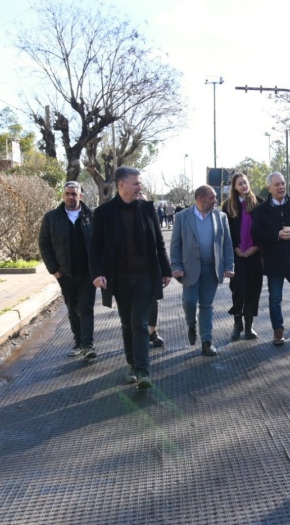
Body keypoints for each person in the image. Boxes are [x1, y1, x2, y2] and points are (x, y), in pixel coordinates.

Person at [89, 166, 172, 389]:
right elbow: (95, 248)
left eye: (140, 183)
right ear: (121, 185)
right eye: (136, 183)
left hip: (145, 276)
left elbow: (159, 242)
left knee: (140, 323)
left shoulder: (147, 209)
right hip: (119, 279)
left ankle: (143, 370)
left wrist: (166, 269)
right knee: (127, 323)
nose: (140, 187)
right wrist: (97, 274)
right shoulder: (103, 213)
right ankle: (132, 365)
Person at [170, 185, 235, 357]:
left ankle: (207, 342)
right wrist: (175, 266)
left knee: (207, 305)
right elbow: (175, 245)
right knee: (189, 302)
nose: (216, 200)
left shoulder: (221, 217)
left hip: (212, 269)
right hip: (189, 269)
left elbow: (227, 244)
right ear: (200, 198)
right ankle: (192, 324)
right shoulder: (182, 217)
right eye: (213, 197)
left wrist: (229, 266)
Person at [38, 181, 98, 359]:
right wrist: (54, 270)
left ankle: (88, 345)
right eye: (67, 194)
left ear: (81, 195)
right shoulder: (51, 218)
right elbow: (44, 244)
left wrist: (99, 268)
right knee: (73, 309)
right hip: (65, 274)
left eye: (74, 194)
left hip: (88, 273)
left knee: (86, 308)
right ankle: (78, 342)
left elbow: (100, 243)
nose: (70, 197)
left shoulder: (92, 216)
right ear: (63, 195)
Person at [252, 172, 290, 346]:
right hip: (274, 261)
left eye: (283, 183)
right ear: (269, 188)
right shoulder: (261, 210)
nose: (281, 187)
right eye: (277, 184)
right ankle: (278, 330)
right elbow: (256, 234)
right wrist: (276, 235)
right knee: (275, 298)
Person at [222, 172, 263, 341]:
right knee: (239, 290)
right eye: (240, 184)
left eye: (245, 182)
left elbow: (264, 228)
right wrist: (235, 249)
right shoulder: (228, 205)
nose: (243, 186)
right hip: (237, 255)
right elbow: (225, 231)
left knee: (254, 290)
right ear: (234, 187)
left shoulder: (259, 203)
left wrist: (257, 247)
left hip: (255, 254)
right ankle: (237, 323)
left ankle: (248, 326)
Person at [139, 192, 165, 348]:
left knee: (153, 301)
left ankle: (152, 332)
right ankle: (139, 334)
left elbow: (160, 242)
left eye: (143, 201)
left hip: (151, 267)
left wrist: (165, 270)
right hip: (130, 271)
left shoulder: (150, 217)